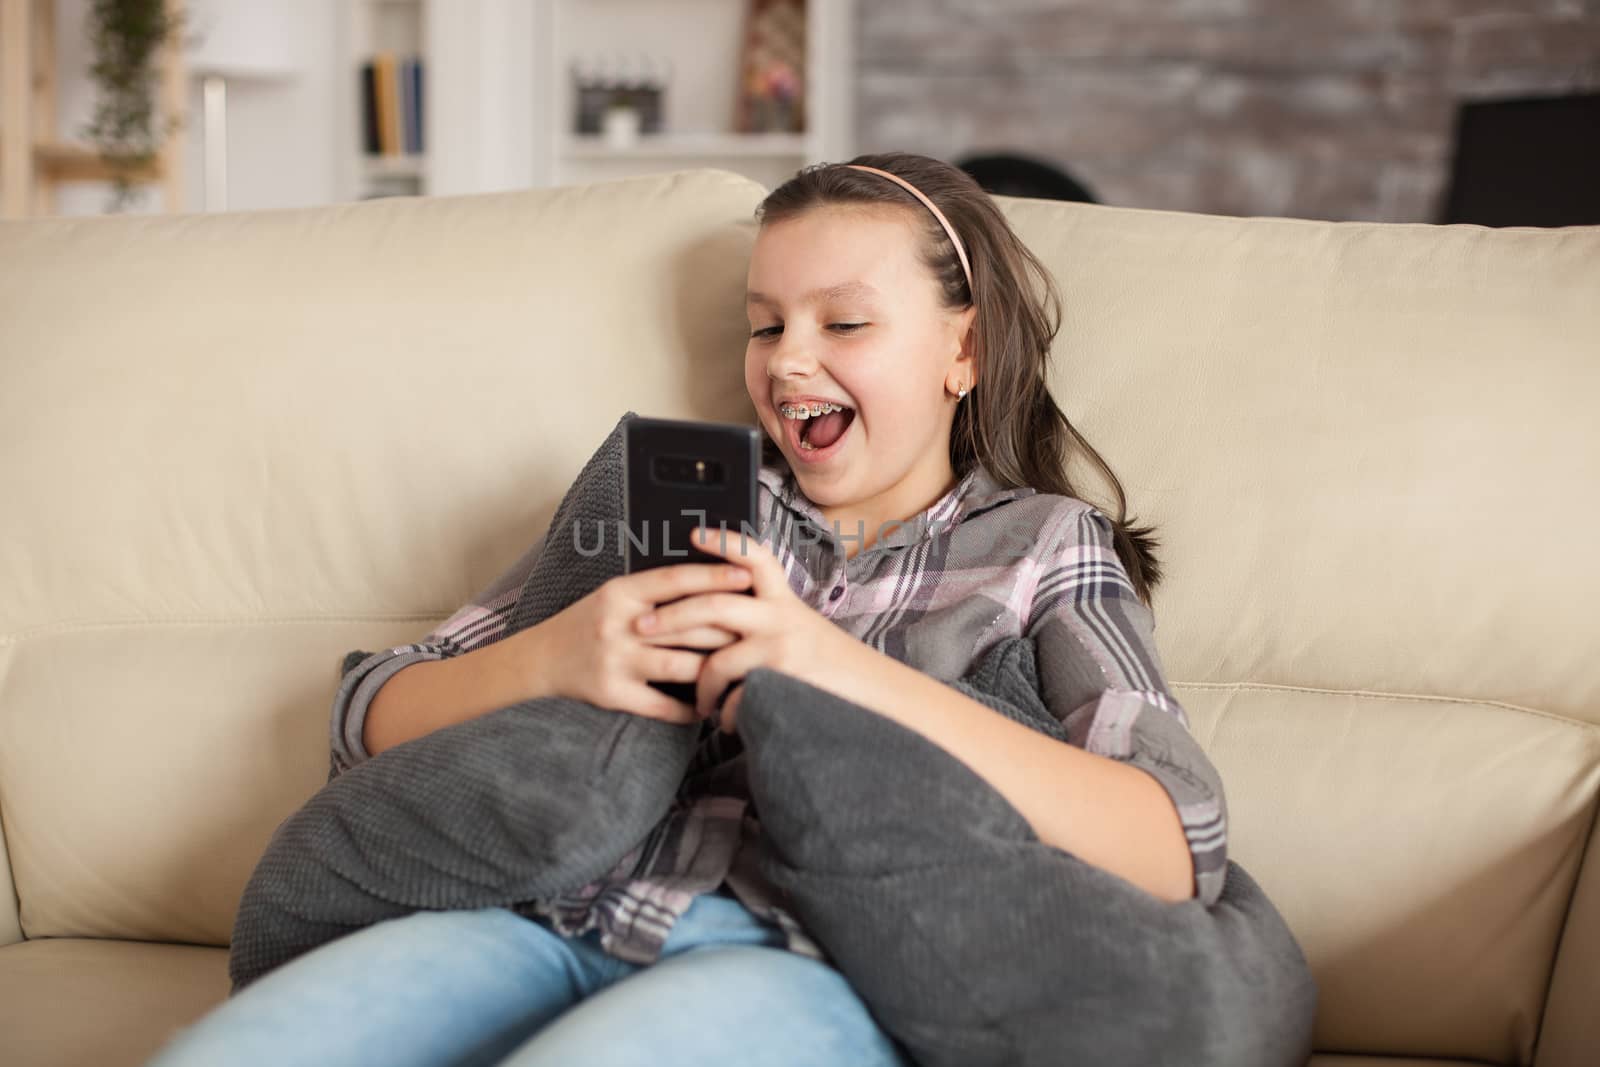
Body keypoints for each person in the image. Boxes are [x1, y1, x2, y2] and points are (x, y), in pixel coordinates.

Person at [146, 151, 1222, 1067]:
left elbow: (1179, 840)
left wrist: (828, 664)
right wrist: (557, 656)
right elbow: (363, 715)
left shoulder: (1039, 544)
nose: (789, 359)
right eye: (764, 326)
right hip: (545, 915)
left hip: (800, 962)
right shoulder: (680, 494)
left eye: (843, 321)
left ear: (965, 350)